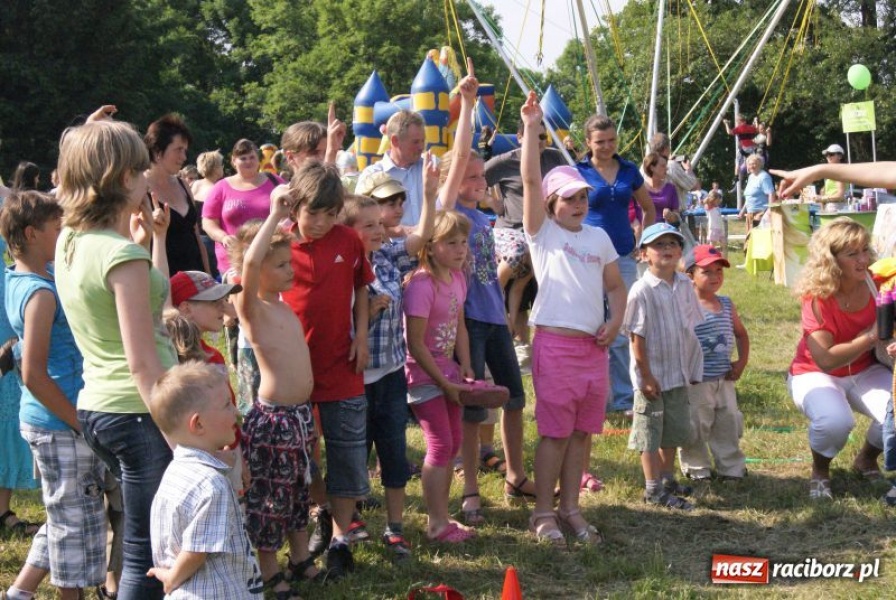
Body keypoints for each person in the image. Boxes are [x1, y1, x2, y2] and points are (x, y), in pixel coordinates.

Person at [54, 117, 177, 600]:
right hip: (139, 410)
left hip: (99, 407)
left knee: (138, 542)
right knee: (148, 556)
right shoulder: (121, 255)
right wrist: (178, 431)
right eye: (141, 170)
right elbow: (142, 360)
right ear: (125, 178)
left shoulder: (70, 239)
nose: (148, 178)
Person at [519, 90, 625, 545]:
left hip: (592, 349)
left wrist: (615, 323)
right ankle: (543, 513)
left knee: (582, 434)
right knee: (556, 435)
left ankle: (571, 509)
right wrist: (531, 128)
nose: (578, 204)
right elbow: (529, 181)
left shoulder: (599, 238)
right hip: (555, 346)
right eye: (568, 199)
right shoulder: (541, 234)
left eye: (582, 196)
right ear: (550, 205)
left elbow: (616, 287)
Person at [437, 64, 536, 527]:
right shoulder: (449, 213)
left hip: (495, 318)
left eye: (481, 175)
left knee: (514, 398)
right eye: (470, 176)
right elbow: (459, 155)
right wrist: (468, 105)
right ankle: (471, 489)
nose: (479, 181)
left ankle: (515, 475)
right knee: (473, 408)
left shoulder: (484, 219)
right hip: (468, 321)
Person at [1, 191, 106, 600]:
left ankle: (20, 592)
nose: (64, 233)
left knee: (67, 512)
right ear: (32, 234)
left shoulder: (23, 277)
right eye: (57, 227)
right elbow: (32, 373)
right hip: (58, 421)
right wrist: (77, 422)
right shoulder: (40, 295)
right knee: (69, 524)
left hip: (56, 419)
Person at [279, 160, 373, 578]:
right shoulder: (279, 244)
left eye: (330, 214)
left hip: (342, 365)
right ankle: (322, 511)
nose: (320, 223)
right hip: (294, 371)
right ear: (294, 206)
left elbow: (361, 288)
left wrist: (361, 335)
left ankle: (340, 539)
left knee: (348, 454)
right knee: (304, 457)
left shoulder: (349, 240)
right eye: (312, 213)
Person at [230, 190, 320, 598]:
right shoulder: (251, 308)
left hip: (299, 416)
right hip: (274, 421)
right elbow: (250, 264)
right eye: (280, 265)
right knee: (270, 498)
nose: (290, 270)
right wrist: (274, 216)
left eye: (290, 263)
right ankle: (268, 571)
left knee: (299, 490)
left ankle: (299, 558)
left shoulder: (283, 307)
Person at [577, 112, 655, 490]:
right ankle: (594, 395)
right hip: (586, 256)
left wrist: (644, 238)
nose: (607, 146)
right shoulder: (578, 172)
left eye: (611, 140)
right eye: (600, 141)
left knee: (622, 326)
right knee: (592, 325)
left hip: (622, 253)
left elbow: (648, 207)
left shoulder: (629, 171)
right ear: (588, 142)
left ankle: (622, 397)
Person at [787, 218, 889, 500]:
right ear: (831, 260)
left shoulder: (878, 283)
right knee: (835, 421)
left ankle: (866, 459)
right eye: (852, 253)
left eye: (865, 249)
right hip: (815, 372)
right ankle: (820, 470)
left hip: (865, 368)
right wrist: (871, 336)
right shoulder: (816, 297)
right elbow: (826, 360)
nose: (863, 259)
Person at [147, 362, 264, 598]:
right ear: (198, 424)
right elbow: (196, 551)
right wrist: (172, 578)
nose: (236, 412)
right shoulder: (212, 485)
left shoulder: (175, 472)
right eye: (227, 405)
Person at [403, 209, 476, 543]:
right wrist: (442, 381)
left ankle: (443, 516)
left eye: (463, 242)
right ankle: (435, 523)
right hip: (423, 376)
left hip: (448, 372)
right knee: (440, 444)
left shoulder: (457, 277)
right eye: (451, 243)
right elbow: (415, 344)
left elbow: (459, 324)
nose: (461, 249)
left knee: (454, 443)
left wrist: (466, 364)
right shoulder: (421, 285)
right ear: (430, 247)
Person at [624, 222, 703, 511]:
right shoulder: (641, 290)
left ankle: (667, 478)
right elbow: (637, 336)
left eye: (672, 243)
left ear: (680, 250)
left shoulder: (685, 285)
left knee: (672, 430)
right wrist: (645, 376)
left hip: (677, 373)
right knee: (649, 433)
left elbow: (689, 329)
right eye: (659, 244)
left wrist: (692, 368)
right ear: (644, 254)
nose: (667, 249)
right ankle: (653, 488)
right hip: (653, 378)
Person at [679, 245, 749, 481]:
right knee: (697, 424)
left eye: (719, 271)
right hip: (696, 381)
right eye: (707, 271)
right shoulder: (684, 306)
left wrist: (741, 362)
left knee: (728, 423)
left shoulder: (726, 304)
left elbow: (741, 334)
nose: (715, 276)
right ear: (690, 275)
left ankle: (731, 467)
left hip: (724, 378)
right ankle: (697, 468)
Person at [169, 271, 245, 490]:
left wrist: (237, 452)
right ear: (185, 308)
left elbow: (230, 410)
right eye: (213, 302)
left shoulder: (215, 356)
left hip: (228, 452)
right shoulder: (174, 362)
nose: (223, 307)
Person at [202, 138, 280, 279]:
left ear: (258, 159)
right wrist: (223, 237)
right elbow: (208, 222)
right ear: (233, 161)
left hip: (270, 257)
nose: (248, 161)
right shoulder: (221, 187)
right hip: (233, 263)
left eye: (252, 157)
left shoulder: (275, 181)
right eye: (243, 158)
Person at [144, 114, 209, 275]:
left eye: (185, 151)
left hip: (196, 279)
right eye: (178, 150)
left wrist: (209, 278)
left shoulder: (183, 185)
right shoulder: (139, 188)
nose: (184, 157)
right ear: (158, 151)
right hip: (162, 281)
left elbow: (196, 236)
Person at [356, 110, 427, 226]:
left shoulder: (431, 168)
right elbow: (360, 220)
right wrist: (399, 232)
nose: (421, 147)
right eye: (415, 142)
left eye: (423, 141)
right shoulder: (373, 175)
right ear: (395, 141)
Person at [738, 154, 775, 233]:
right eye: (749, 164)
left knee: (760, 237)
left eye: (754, 164)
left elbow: (771, 193)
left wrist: (770, 211)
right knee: (750, 238)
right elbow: (749, 197)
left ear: (760, 164)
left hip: (761, 214)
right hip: (750, 214)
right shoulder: (751, 177)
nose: (751, 166)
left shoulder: (764, 177)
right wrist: (742, 211)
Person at [641, 152, 680, 224]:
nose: (667, 168)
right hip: (646, 229)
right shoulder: (640, 189)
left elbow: (677, 217)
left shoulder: (671, 188)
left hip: (665, 229)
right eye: (663, 166)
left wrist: (671, 215)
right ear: (652, 168)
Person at [703, 191, 725, 256]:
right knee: (712, 244)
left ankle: (721, 255)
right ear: (713, 200)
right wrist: (710, 197)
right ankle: (710, 256)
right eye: (717, 200)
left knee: (723, 244)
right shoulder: (709, 207)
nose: (719, 201)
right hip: (713, 228)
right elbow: (706, 202)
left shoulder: (717, 207)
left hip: (720, 228)